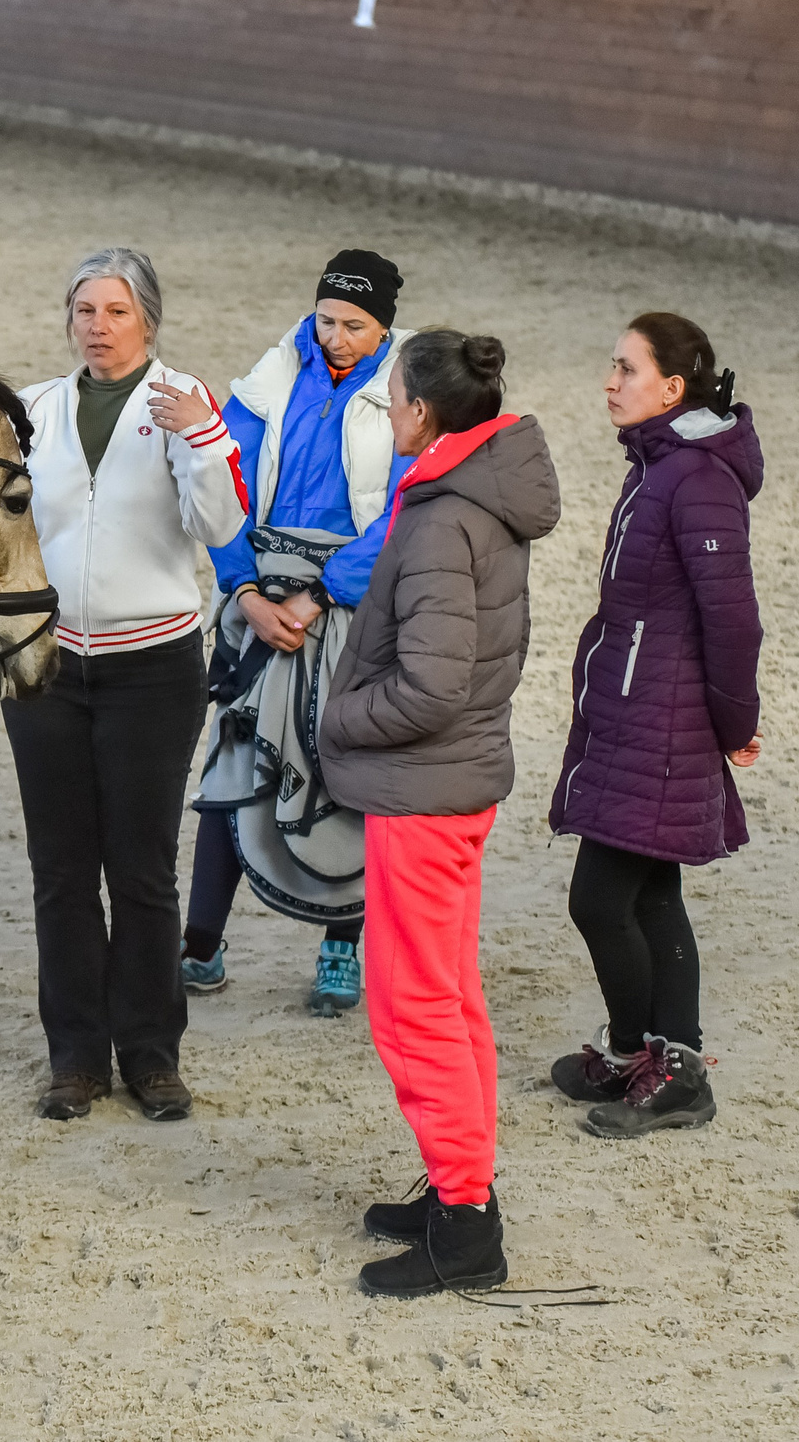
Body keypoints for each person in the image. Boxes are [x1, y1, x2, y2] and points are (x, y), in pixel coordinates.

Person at [317, 330, 560, 1299]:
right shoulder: (480, 495)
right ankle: (460, 1186)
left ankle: (464, 1219)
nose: (384, 414)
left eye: (388, 399)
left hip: (423, 790)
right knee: (450, 991)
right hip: (452, 785)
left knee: (413, 1003)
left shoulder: (437, 519)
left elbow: (429, 683)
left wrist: (339, 717)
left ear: (420, 413)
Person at [0, 248, 247, 1122]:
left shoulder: (183, 402)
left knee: (141, 872)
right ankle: (74, 1057)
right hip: (47, 667)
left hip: (154, 668)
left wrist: (203, 437)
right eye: (84, 310)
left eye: (115, 311)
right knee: (60, 871)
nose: (97, 327)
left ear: (148, 319)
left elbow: (218, 525)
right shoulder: (34, 407)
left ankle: (151, 1054)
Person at [547, 313, 763, 1138]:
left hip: (665, 722)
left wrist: (733, 721)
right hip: (636, 709)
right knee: (652, 891)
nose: (609, 381)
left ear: (672, 389)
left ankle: (655, 1059)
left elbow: (733, 619)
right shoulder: (659, 466)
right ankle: (662, 1057)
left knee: (600, 899)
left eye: (625, 368)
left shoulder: (695, 480)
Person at [184, 250, 415, 1016]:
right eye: (326, 319)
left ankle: (341, 948)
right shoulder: (273, 374)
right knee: (234, 756)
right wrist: (244, 589)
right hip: (261, 590)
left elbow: (406, 510)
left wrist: (321, 594)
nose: (336, 337)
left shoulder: (409, 388)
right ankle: (200, 942)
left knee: (349, 774)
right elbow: (222, 480)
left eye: (355, 324)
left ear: (384, 324)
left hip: (351, 603)